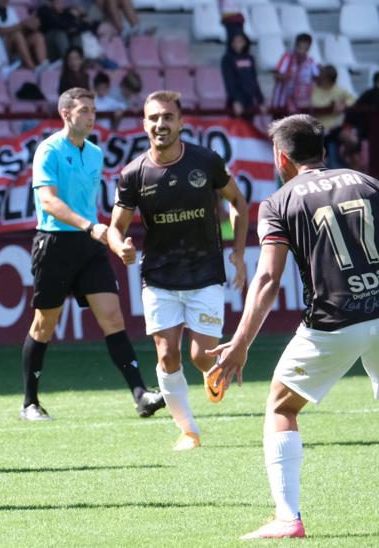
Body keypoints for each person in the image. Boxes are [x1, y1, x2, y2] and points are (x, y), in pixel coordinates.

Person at [207, 114, 379, 540]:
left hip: (336, 320)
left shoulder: (279, 202)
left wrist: (241, 342)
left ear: (280, 156)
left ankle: (288, 518)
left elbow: (266, 279)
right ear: (323, 151)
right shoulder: (367, 182)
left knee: (282, 407)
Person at [106, 90, 249, 451]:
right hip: (159, 277)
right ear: (143, 124)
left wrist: (238, 253)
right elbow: (114, 227)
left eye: (167, 117)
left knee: (202, 358)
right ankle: (189, 431)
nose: (160, 124)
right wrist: (119, 245)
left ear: (181, 123)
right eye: (153, 118)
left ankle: (209, 376)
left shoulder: (205, 161)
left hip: (205, 273)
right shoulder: (134, 174)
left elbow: (238, 201)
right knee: (167, 354)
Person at [21, 87, 164, 422]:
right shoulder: (48, 150)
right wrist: (90, 227)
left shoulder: (96, 153)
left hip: (90, 245)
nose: (91, 116)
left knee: (113, 318)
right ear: (65, 113)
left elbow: (96, 206)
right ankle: (29, 403)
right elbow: (48, 202)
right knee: (44, 325)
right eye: (84, 110)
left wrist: (116, 241)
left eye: (93, 110)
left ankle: (140, 394)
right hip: (55, 244)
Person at [310, 65, 356, 169]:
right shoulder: (315, 89)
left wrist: (343, 105)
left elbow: (352, 99)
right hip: (319, 131)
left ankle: (345, 158)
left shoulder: (339, 90)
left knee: (351, 140)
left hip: (336, 129)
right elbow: (315, 104)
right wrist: (333, 105)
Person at [0, 0, 47, 72]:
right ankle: (32, 69)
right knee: (17, 35)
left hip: (14, 47)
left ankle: (44, 67)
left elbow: (18, 28)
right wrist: (23, 24)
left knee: (37, 36)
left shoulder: (9, 9)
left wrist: (29, 26)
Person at [271, 33, 318, 113]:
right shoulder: (287, 57)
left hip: (300, 105)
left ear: (309, 48)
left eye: (305, 48)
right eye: (300, 47)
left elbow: (317, 78)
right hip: (282, 103)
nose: (301, 51)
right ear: (296, 45)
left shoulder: (310, 62)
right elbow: (276, 75)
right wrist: (288, 76)